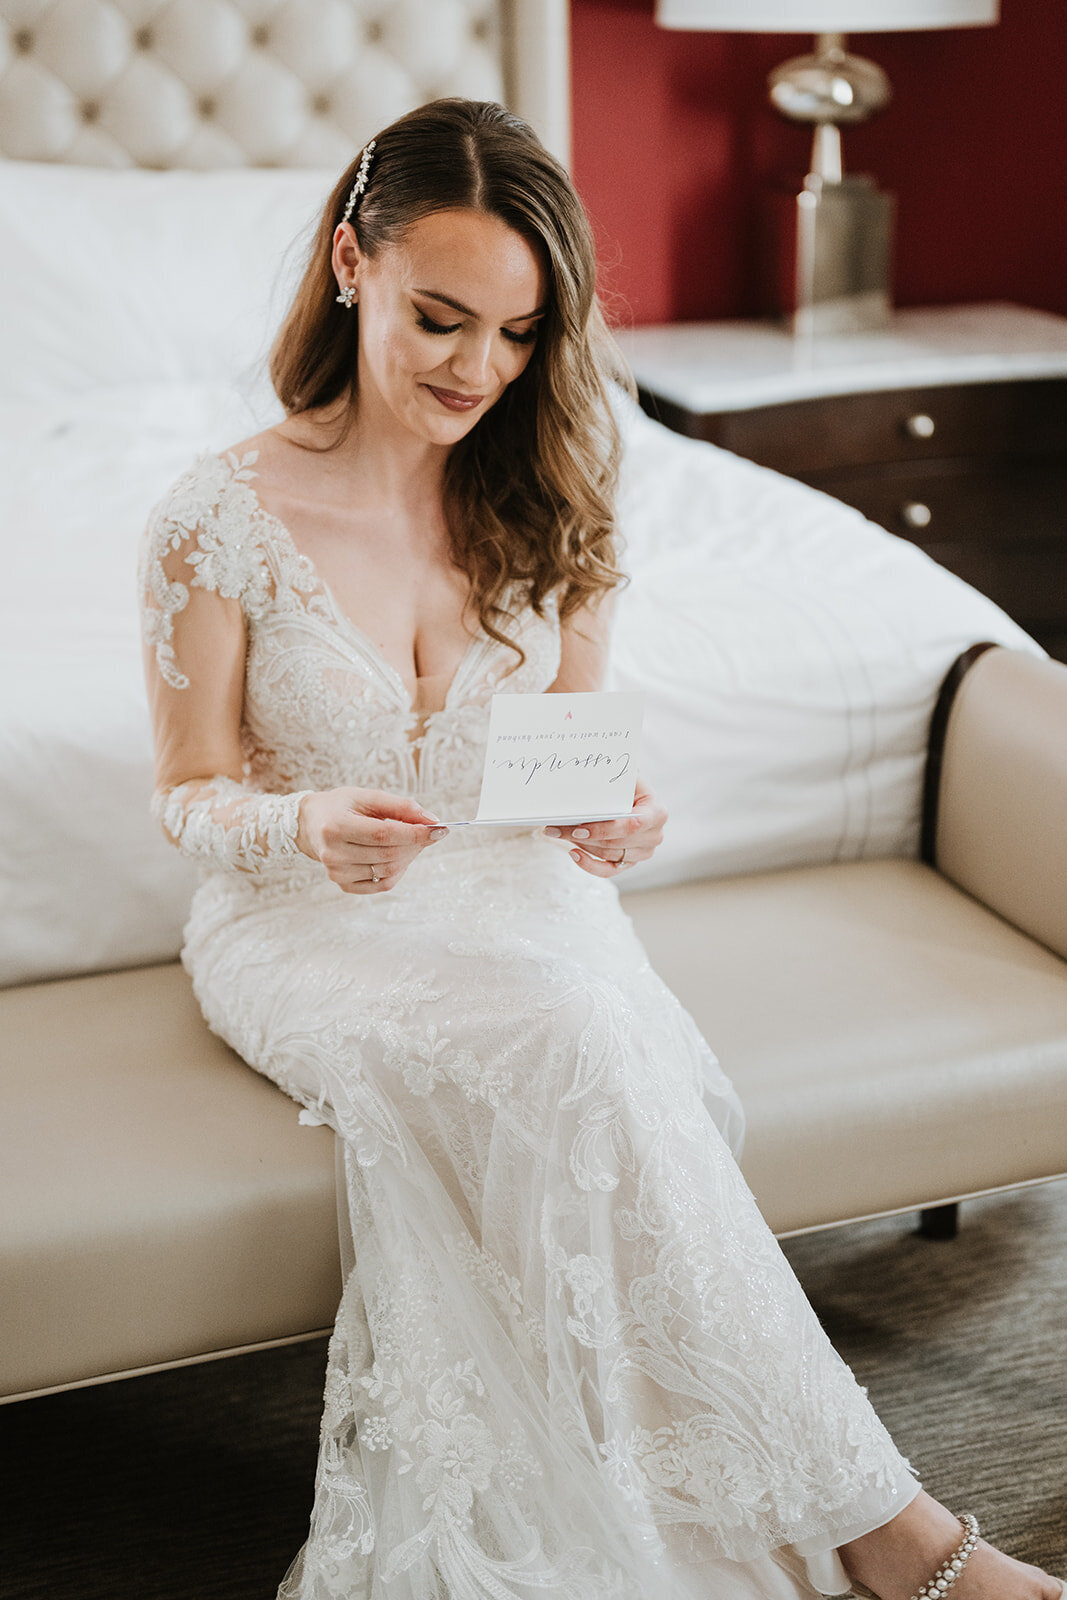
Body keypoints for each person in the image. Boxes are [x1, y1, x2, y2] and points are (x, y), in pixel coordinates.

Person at [138, 98, 1063, 1600]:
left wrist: (625, 819)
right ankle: (904, 1544)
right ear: (350, 262)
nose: (476, 372)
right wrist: (299, 820)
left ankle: (859, 1523)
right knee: (580, 1039)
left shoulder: (556, 486)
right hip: (301, 919)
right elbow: (186, 791)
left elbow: (580, 752)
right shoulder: (213, 520)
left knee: (586, 1030)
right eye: (442, 318)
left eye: (516, 335)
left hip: (521, 891)